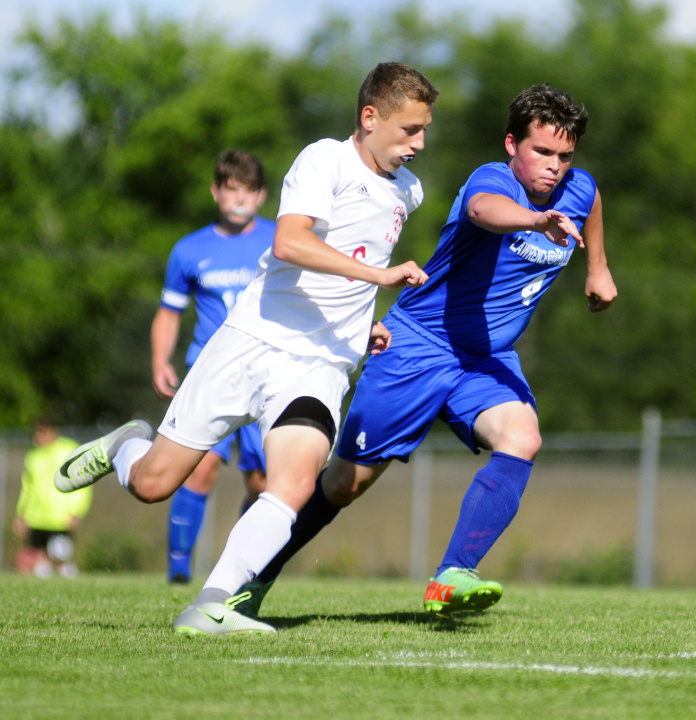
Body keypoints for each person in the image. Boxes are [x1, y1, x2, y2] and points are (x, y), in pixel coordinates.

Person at [55, 61, 437, 635]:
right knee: (154, 484)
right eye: (409, 129)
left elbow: (359, 262)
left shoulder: (410, 191)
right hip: (252, 341)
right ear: (369, 117)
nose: (420, 143)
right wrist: (376, 283)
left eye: (425, 129)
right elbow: (289, 242)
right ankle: (127, 445)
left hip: (320, 364)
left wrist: (364, 324)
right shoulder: (322, 160)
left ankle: (210, 604)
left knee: (295, 479)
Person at [227, 82, 618, 621]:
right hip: (417, 346)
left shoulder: (578, 188)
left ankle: (452, 575)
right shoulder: (492, 181)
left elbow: (591, 200)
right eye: (542, 152)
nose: (554, 166)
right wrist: (534, 219)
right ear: (511, 144)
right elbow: (485, 211)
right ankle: (250, 579)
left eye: (564, 156)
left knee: (523, 437)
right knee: (343, 484)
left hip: (485, 358)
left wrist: (598, 268)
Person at [154, 149, 273, 585]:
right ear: (216, 192)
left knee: (263, 484)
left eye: (248, 190)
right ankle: (179, 572)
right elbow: (169, 312)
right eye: (230, 189)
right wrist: (160, 359)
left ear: (261, 196)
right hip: (208, 373)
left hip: (264, 374)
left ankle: (243, 567)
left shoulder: (282, 240)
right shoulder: (188, 249)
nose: (238, 199)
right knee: (199, 468)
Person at [14, 419, 90, 578]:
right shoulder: (33, 456)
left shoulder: (69, 450)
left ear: (51, 432)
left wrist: (77, 511)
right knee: (39, 563)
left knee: (61, 559)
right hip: (36, 518)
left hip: (60, 518)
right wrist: (21, 514)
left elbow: (83, 483)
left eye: (40, 434)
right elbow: (27, 488)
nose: (36, 439)